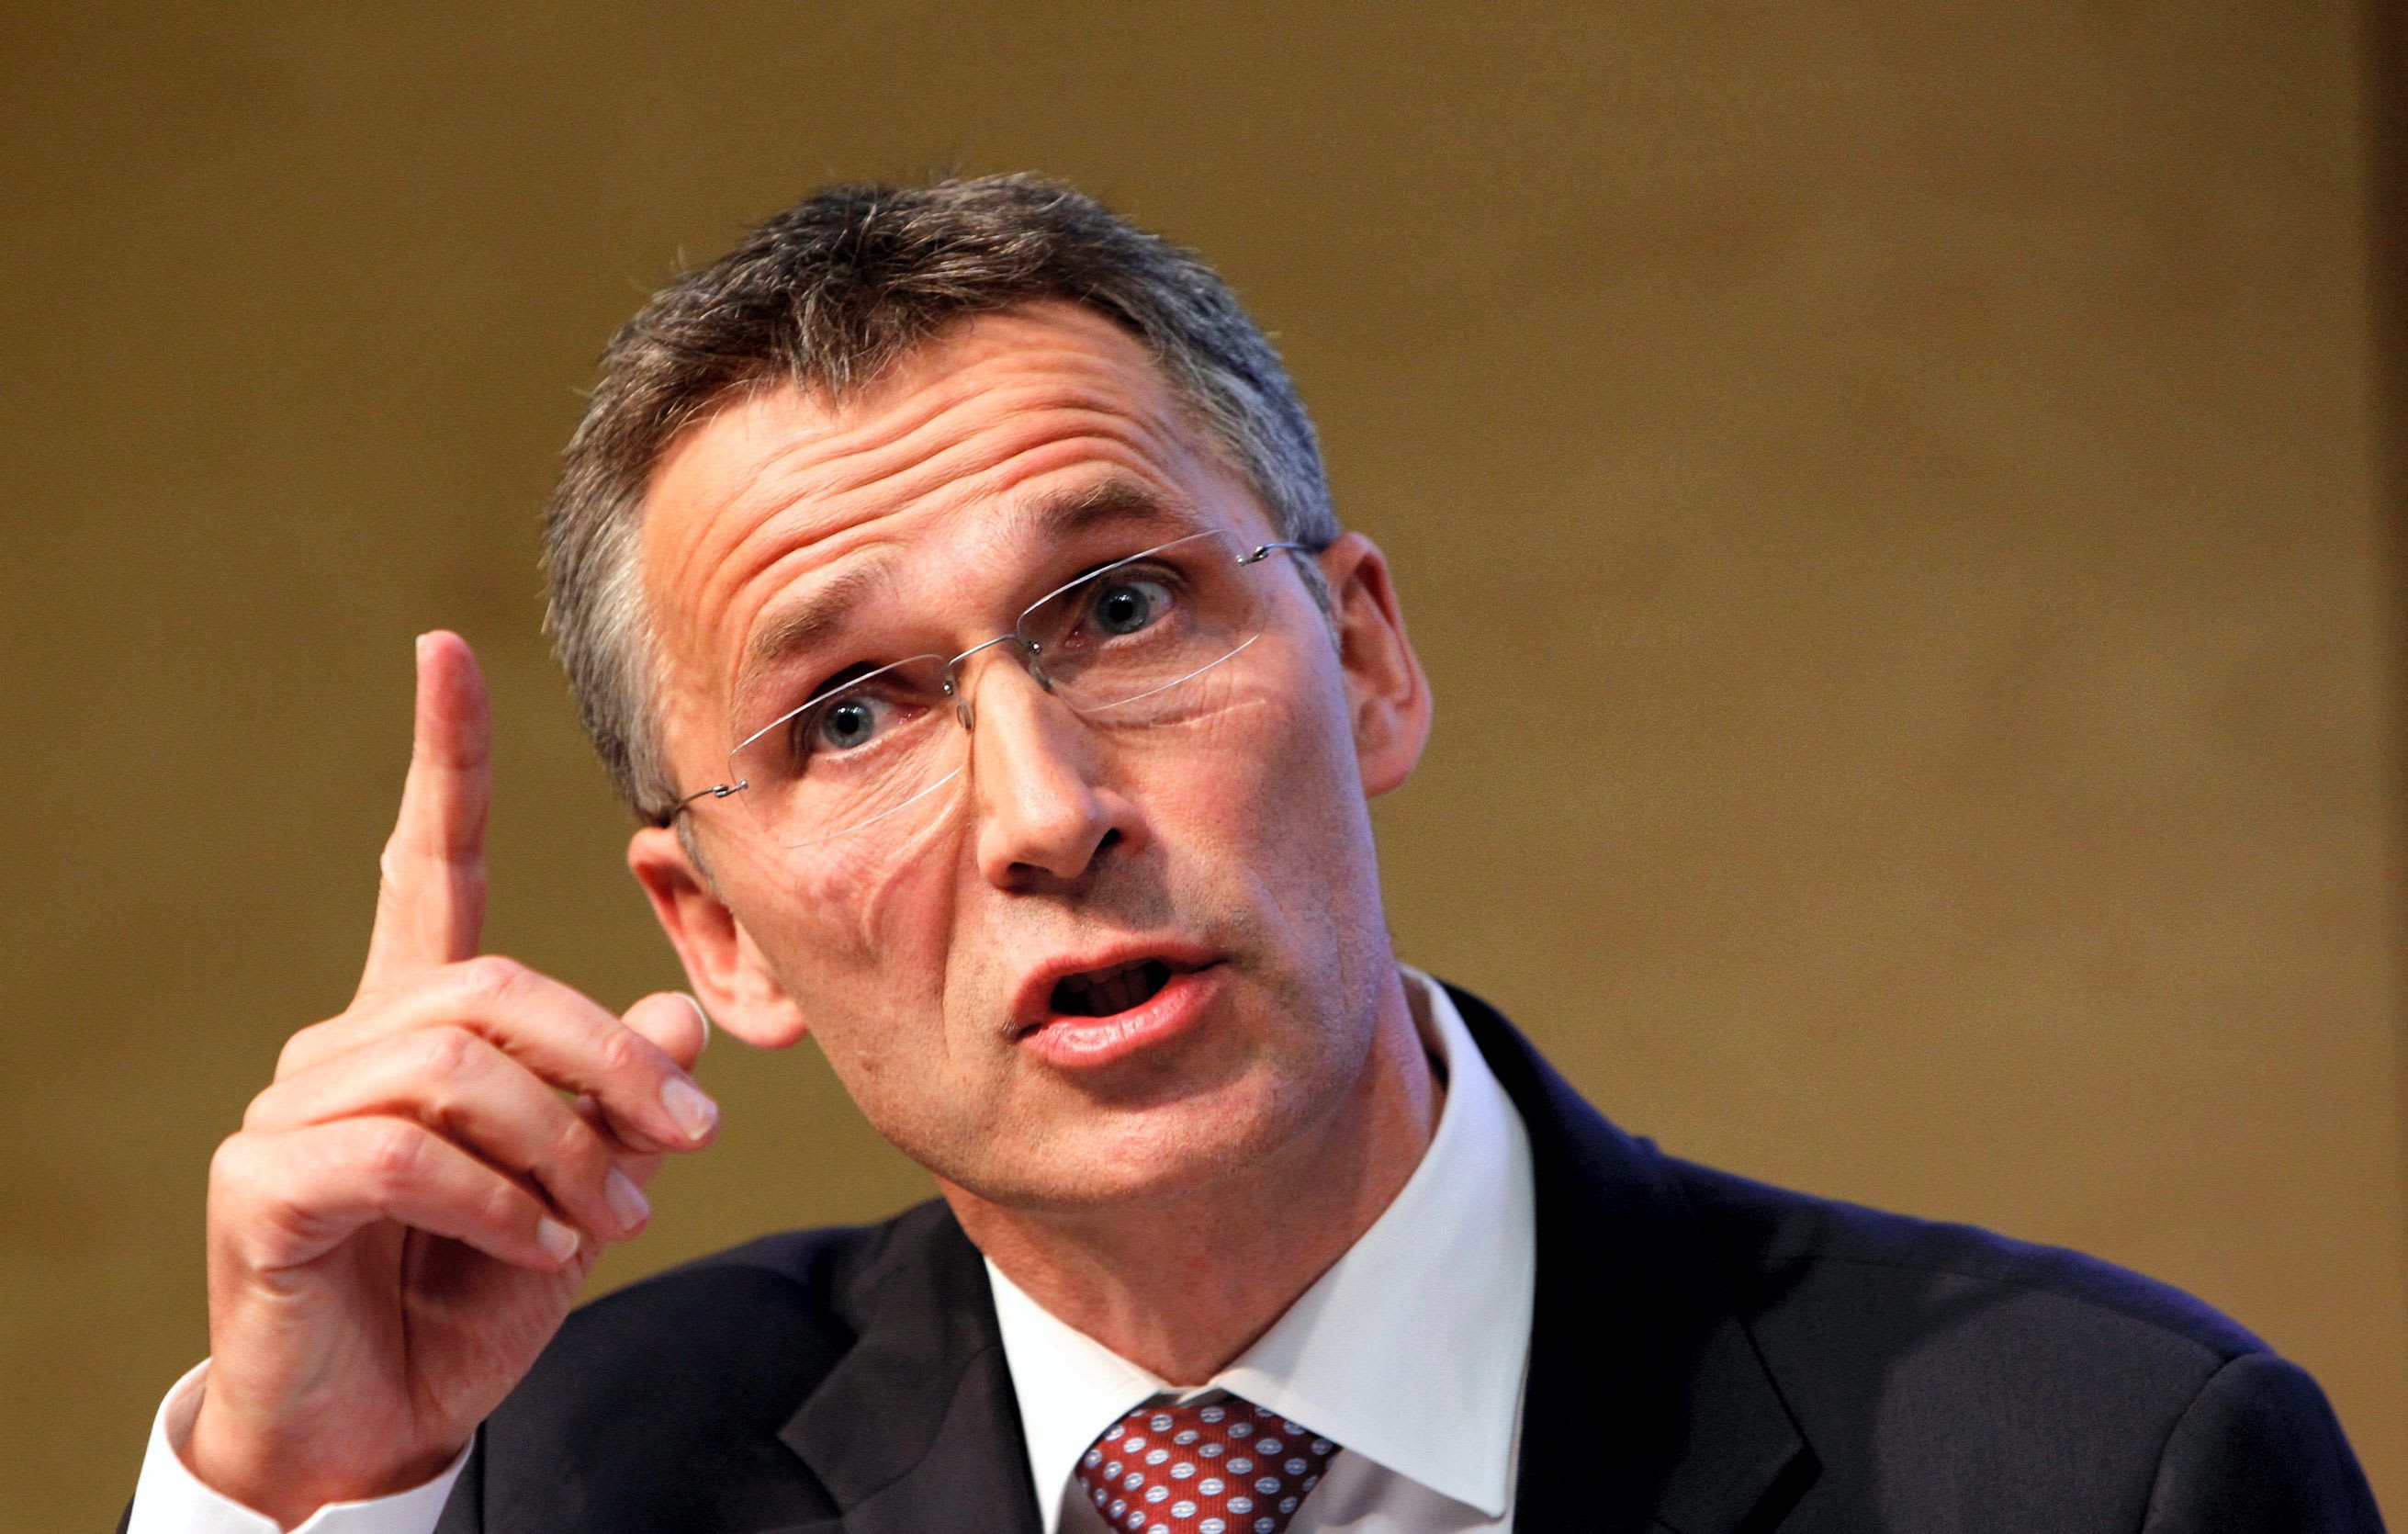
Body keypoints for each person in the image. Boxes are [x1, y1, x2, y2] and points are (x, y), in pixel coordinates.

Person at [124, 175, 2381, 1534]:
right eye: (849, 714)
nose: (1047, 810)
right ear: (720, 932)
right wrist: (298, 1494)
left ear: (1366, 656)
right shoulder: (545, 1489)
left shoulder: (2107, 1471)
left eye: (1121, 607)